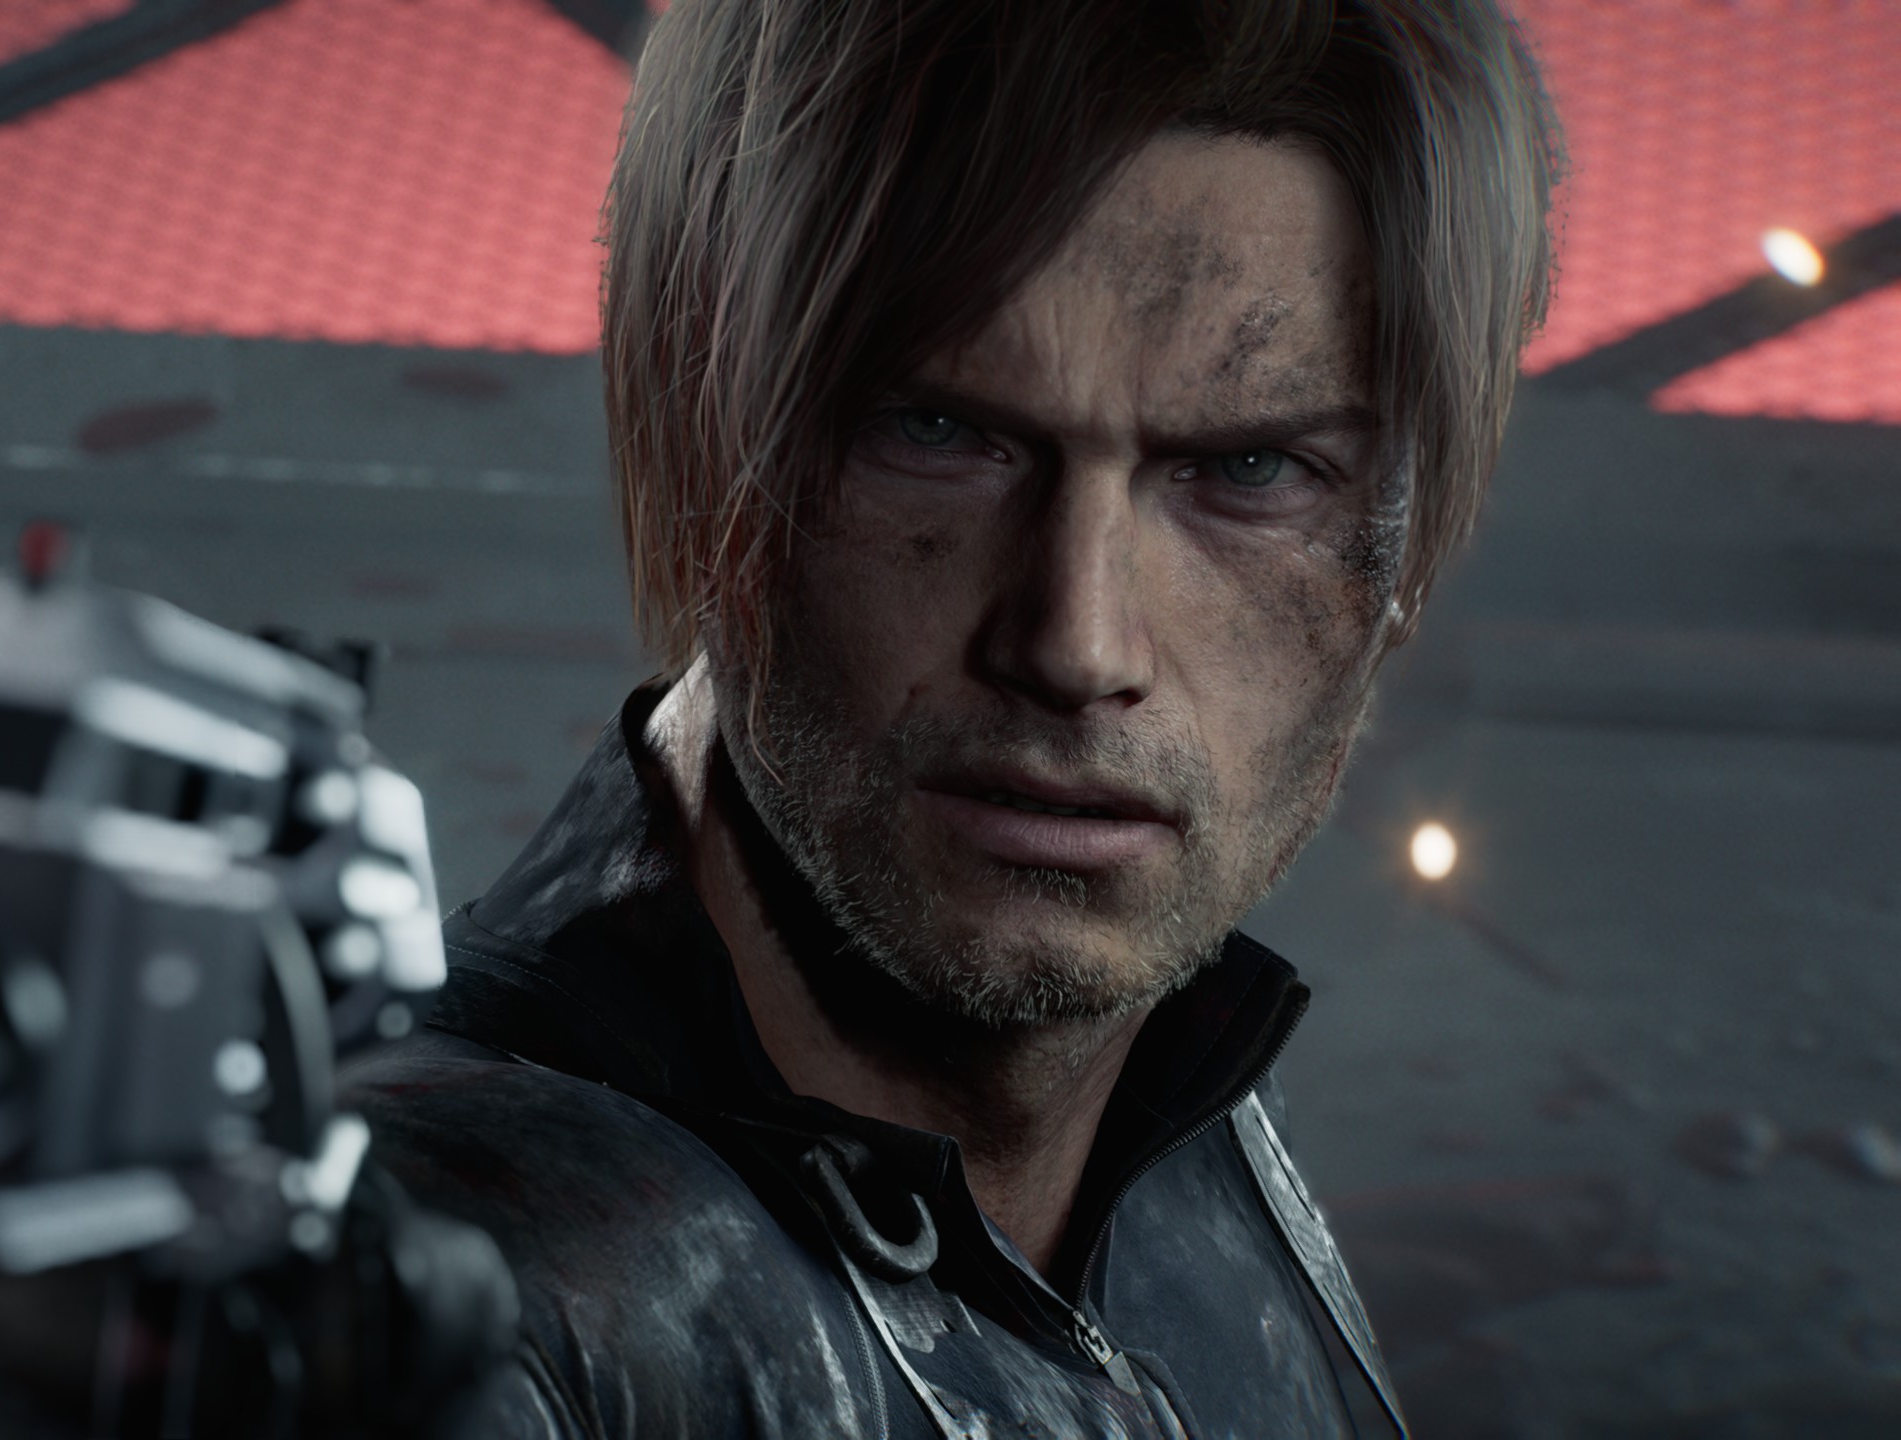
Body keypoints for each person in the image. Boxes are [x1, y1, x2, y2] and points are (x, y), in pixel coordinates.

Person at [348, 0, 1560, 1434]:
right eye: (938, 433)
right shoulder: (438, 1303)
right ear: (705, 430)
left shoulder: (1187, 1124)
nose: (1077, 644)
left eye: (1249, 470)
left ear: (1403, 550)